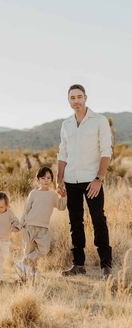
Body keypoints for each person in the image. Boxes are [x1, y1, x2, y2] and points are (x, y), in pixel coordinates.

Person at [57, 84, 112, 278]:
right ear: (69, 100)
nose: (76, 101)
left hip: (92, 180)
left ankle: (106, 265)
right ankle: (78, 264)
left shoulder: (99, 121)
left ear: (86, 98)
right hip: (71, 179)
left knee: (98, 220)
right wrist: (59, 180)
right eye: (72, 98)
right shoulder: (66, 124)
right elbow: (62, 153)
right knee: (75, 223)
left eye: (79, 97)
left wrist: (99, 179)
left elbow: (106, 151)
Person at [16, 166, 67, 281]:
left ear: (51, 180)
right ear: (38, 180)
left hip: (43, 228)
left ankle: (24, 262)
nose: (46, 180)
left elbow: (61, 206)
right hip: (30, 226)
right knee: (30, 250)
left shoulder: (53, 195)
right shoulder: (33, 193)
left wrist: (64, 197)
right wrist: (21, 223)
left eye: (48, 178)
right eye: (43, 178)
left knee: (44, 249)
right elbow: (26, 210)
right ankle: (32, 273)